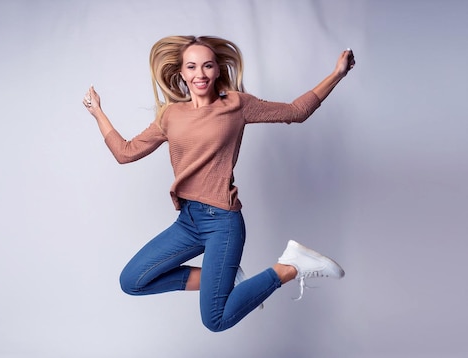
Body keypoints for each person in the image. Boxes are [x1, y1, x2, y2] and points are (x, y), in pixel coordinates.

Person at [82, 35, 355, 332]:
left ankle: (289, 266)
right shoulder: (171, 115)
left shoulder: (236, 105)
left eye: (207, 66)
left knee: (216, 320)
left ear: (217, 70)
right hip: (188, 221)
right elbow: (125, 153)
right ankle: (228, 278)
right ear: (181, 73)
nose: (200, 74)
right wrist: (98, 112)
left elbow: (296, 112)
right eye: (192, 67)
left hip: (222, 222)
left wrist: (337, 74)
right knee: (132, 281)